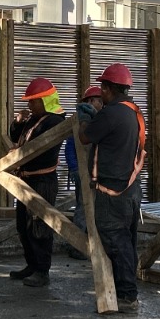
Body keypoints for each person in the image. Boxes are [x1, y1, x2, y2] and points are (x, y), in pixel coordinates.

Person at [81, 62, 146, 312]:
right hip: (130, 189)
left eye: (102, 89)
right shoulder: (134, 112)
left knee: (115, 241)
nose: (101, 95)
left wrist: (87, 119)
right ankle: (127, 291)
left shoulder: (111, 113)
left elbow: (85, 137)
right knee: (126, 241)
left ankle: (127, 295)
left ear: (108, 89)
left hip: (112, 192)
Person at [8, 77, 69, 286]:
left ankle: (42, 270)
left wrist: (18, 154)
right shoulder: (34, 119)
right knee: (23, 226)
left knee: (39, 227)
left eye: (33, 101)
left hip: (42, 180)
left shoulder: (55, 122)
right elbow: (17, 137)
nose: (29, 105)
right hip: (25, 180)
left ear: (45, 101)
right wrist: (17, 123)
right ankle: (31, 265)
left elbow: (41, 150)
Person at [63, 85, 103, 260]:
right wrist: (74, 169)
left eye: (102, 101)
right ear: (89, 101)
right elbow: (70, 147)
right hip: (82, 172)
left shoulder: (100, 119)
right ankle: (77, 246)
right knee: (83, 207)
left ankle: (91, 244)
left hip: (96, 173)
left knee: (96, 208)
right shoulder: (80, 121)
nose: (101, 104)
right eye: (98, 101)